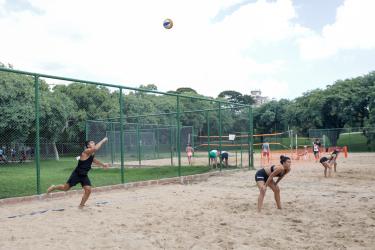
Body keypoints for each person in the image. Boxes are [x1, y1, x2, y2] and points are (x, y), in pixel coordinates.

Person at [46, 137, 109, 208]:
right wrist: (103, 140)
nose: (94, 143)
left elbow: (93, 160)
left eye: (94, 142)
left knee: (88, 190)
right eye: (92, 142)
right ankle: (53, 187)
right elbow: (95, 148)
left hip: (84, 175)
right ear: (88, 146)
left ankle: (81, 205)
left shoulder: (91, 153)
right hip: (77, 174)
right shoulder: (86, 151)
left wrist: (103, 165)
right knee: (65, 188)